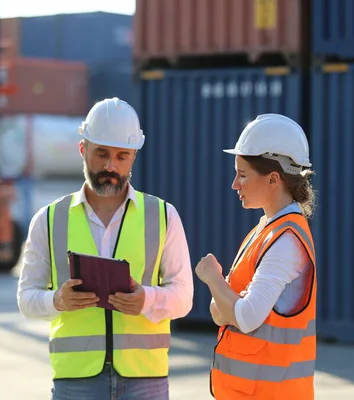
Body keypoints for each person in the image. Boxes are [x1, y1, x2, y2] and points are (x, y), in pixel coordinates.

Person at [17, 97, 194, 400]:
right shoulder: (48, 220)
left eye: (122, 156)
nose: (111, 166)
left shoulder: (163, 216)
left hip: (145, 380)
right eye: (102, 154)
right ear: (83, 149)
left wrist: (147, 300)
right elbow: (26, 298)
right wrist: (58, 300)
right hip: (76, 381)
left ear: (134, 157)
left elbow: (184, 298)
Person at [195, 113, 318, 400]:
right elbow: (219, 312)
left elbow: (245, 317)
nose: (234, 184)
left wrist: (212, 278)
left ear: (273, 179)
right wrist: (226, 303)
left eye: (242, 174)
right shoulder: (264, 232)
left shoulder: (287, 242)